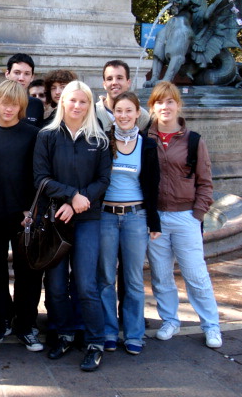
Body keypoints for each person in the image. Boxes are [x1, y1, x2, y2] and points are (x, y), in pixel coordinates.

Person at [34, 81, 111, 372]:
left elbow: (104, 180)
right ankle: (64, 334)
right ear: (62, 102)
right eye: (72, 101)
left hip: (87, 219)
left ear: (89, 105)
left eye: (83, 101)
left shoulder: (99, 139)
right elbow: (40, 178)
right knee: (54, 285)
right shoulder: (47, 135)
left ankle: (95, 342)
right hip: (56, 219)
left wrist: (81, 199)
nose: (77, 106)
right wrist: (70, 195)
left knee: (86, 284)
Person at [145, 81, 221, 348]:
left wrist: (198, 214)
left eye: (169, 101)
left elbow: (205, 180)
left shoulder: (193, 140)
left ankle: (211, 325)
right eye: (159, 102)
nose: (164, 107)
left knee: (195, 274)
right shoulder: (145, 137)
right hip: (155, 218)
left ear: (178, 104)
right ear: (151, 107)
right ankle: (170, 320)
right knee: (161, 274)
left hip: (185, 215)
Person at [0, 81, 43, 353]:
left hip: (24, 216)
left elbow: (40, 177)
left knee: (28, 274)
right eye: (4, 102)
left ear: (22, 107)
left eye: (14, 104)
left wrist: (32, 210)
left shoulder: (33, 135)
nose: (8, 108)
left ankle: (26, 325)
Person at [97, 91, 161, 356]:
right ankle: (109, 331)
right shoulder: (102, 142)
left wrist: (154, 222)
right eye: (119, 111)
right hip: (105, 216)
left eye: (128, 111)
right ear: (113, 115)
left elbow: (153, 186)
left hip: (136, 217)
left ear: (138, 114)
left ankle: (134, 333)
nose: (123, 116)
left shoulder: (147, 145)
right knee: (104, 277)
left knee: (133, 279)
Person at [0, 54, 44, 128]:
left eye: (27, 74)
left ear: (32, 77)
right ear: (7, 74)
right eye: (17, 73)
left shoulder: (36, 105)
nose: (21, 78)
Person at [95, 60, 150, 132]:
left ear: (128, 82)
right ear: (104, 84)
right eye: (109, 79)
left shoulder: (142, 116)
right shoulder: (93, 113)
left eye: (119, 78)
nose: (114, 82)